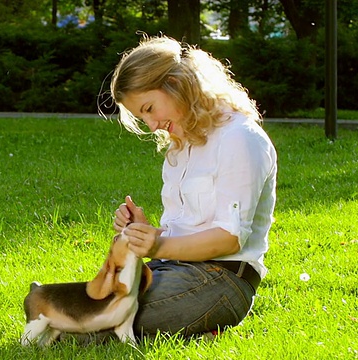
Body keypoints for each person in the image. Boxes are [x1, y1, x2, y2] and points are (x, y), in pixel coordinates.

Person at [108, 35, 277, 339]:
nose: (152, 125)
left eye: (149, 108)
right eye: (141, 117)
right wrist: (147, 233)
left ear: (176, 84)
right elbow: (188, 231)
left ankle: (203, 320)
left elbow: (229, 238)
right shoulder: (180, 145)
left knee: (103, 320)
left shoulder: (238, 138)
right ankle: (199, 328)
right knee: (94, 306)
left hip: (222, 280)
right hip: (174, 270)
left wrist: (157, 246)